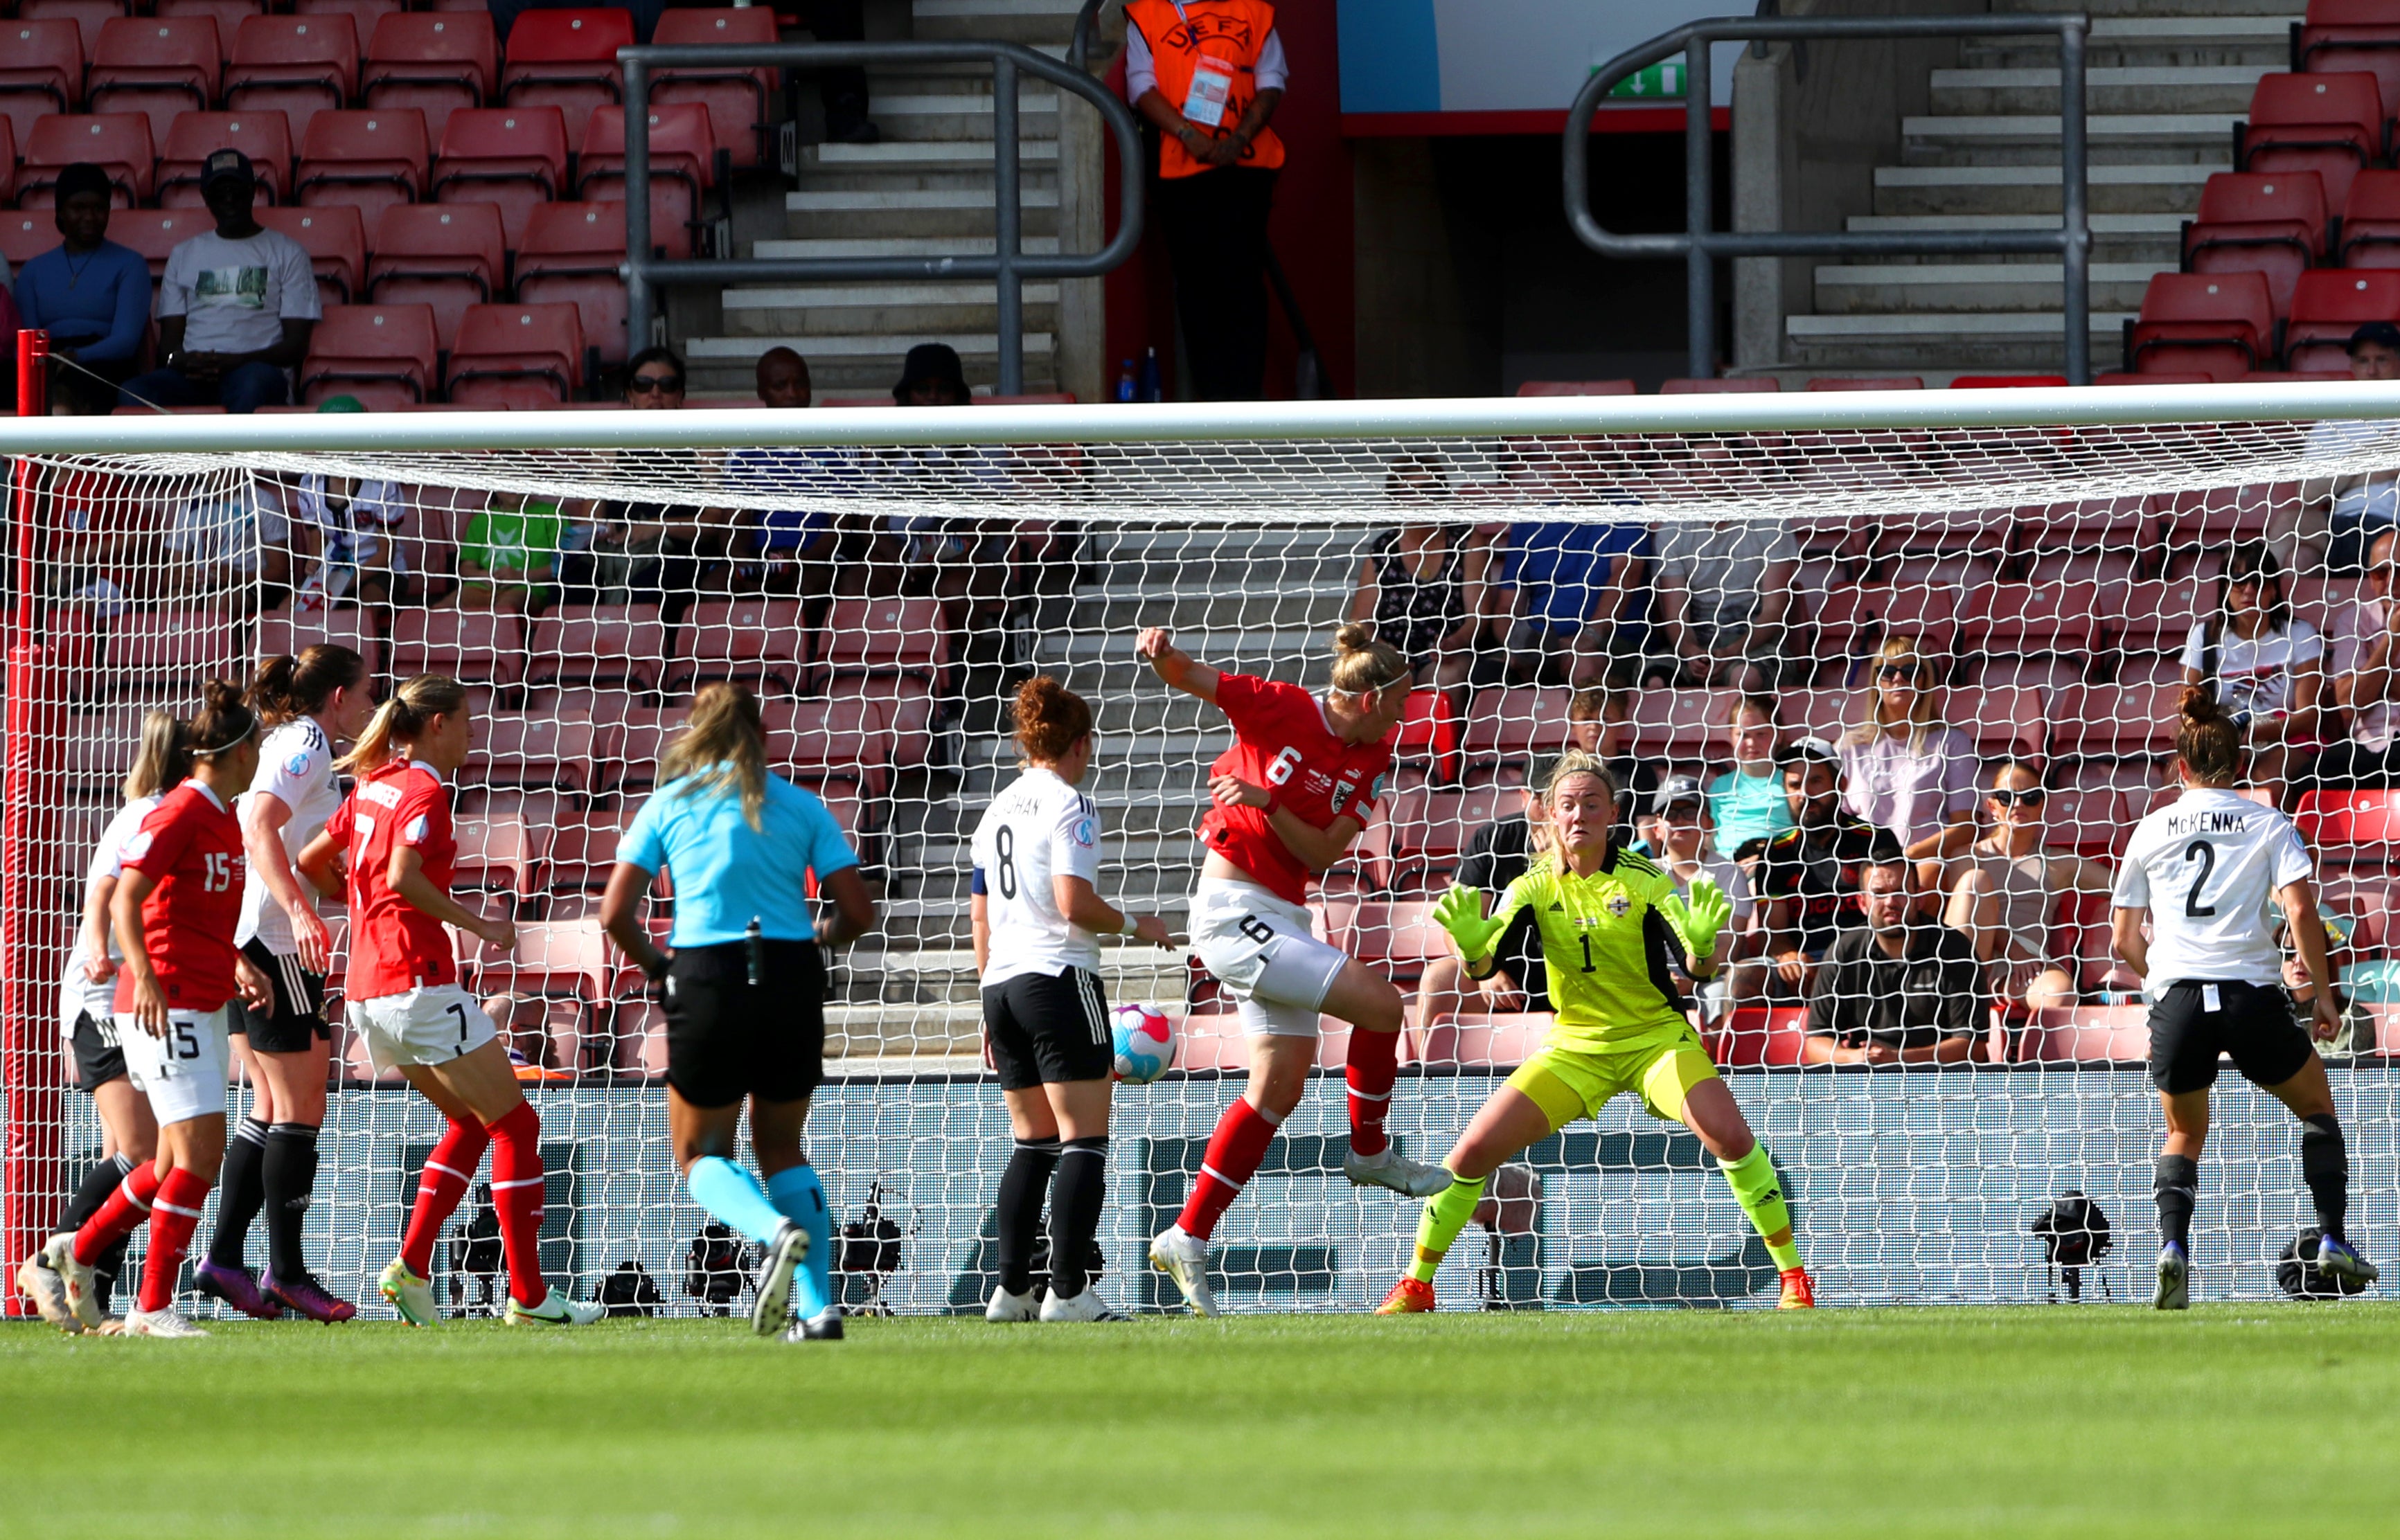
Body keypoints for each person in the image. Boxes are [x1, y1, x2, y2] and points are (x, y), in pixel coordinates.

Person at [1376, 751, 1813, 1313]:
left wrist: (1704, 945)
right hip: (1574, 1047)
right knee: (1470, 1154)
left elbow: (1699, 970)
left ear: (1613, 815)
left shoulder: (1647, 879)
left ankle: (1793, 1279)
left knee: (1729, 1137)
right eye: (1567, 805)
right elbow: (1485, 969)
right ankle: (1417, 1284)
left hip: (1654, 1039)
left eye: (1590, 804)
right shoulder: (1531, 886)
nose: (1578, 814)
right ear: (1549, 815)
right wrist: (1471, 948)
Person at [1138, 621, 1439, 1316]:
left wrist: (1270, 804)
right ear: (1370, 700)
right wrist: (1161, 653)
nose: (1404, 716)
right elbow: (1195, 677)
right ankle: (1369, 1152)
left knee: (1278, 1089)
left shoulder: (1372, 756)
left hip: (1283, 912)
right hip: (1230, 906)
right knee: (1384, 1006)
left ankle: (1186, 1234)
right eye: (1400, 703)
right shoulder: (1282, 706)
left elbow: (1324, 853)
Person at [296, 675, 603, 1327]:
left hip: (365, 994)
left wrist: (361, 900)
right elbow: (405, 877)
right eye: (466, 721)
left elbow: (311, 860)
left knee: (472, 1122)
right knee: (518, 1126)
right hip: (416, 981)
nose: (473, 735)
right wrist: (480, 925)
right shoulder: (423, 790)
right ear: (437, 725)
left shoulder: (372, 785)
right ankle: (528, 1296)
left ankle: (410, 1268)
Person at [600, 683, 879, 1341]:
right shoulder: (802, 805)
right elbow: (858, 913)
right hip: (789, 974)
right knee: (781, 1144)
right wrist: (820, 940)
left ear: (696, 733)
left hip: (706, 974)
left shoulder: (670, 804)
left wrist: (660, 969)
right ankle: (819, 1310)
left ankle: (770, 1231)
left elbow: (614, 914)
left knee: (700, 1150)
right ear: (762, 734)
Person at [2111, 687, 2377, 1309]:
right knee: (2316, 1108)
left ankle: (2172, 1250)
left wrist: (2161, 981)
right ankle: (2333, 1238)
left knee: (2181, 1134)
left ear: (2180, 768)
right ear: (2241, 763)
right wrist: (2325, 994)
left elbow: (2123, 937)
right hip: (2250, 997)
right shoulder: (2266, 822)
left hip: (2178, 1001)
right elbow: (2301, 909)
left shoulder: (2150, 828)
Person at [30, 682, 271, 1337]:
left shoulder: (221, 813)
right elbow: (122, 898)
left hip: (201, 996)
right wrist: (146, 977)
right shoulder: (179, 812)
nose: (262, 755)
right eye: (258, 743)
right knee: (198, 1157)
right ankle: (152, 1307)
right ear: (237, 750)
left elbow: (196, 916)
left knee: (167, 1163)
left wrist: (236, 964)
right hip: (166, 1004)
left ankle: (73, 1253)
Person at [969, 677, 1173, 1323]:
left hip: (1001, 984)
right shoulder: (1071, 804)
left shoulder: (995, 809)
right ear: (1080, 743)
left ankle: (1011, 1293)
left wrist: (985, 999)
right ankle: (1070, 1292)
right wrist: (1142, 926)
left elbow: (979, 916)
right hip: (1058, 977)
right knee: (1084, 1138)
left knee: (1031, 1141)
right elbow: (1073, 904)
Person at [193, 647, 375, 1325]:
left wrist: (329, 887)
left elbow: (291, 843)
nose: (367, 705)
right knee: (300, 1109)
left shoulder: (294, 742)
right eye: (363, 692)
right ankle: (288, 1273)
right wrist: (300, 910)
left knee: (270, 1108)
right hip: (271, 940)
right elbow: (259, 822)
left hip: (248, 936)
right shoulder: (306, 743)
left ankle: (224, 1259)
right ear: (335, 698)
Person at [15, 711, 187, 1324]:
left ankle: (90, 1292)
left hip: (128, 989)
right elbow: (104, 893)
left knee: (131, 1158)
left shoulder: (161, 810)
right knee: (145, 1155)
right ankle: (48, 1259)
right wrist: (96, 947)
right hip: (107, 993)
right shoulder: (153, 815)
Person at [1125, 0, 1287, 400]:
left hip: (1246, 169)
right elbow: (1139, 87)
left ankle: (1247, 401)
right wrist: (1189, 135)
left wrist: (1238, 140)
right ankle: (1213, 401)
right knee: (1197, 287)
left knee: (1243, 284)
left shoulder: (1255, 11)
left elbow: (1272, 80)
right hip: (1181, 169)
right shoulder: (1146, 14)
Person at [116, 151, 319, 414]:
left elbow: (296, 345)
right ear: (205, 197)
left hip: (255, 371)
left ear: (253, 191)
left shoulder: (288, 252)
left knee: (252, 384)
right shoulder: (184, 254)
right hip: (195, 376)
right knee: (134, 392)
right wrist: (186, 362)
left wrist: (236, 361)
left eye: (238, 191)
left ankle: (233, 457)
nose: (229, 200)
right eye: (219, 193)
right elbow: (169, 344)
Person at [1941, 760, 2115, 1012]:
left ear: (2042, 805)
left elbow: (2123, 887)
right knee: (1974, 882)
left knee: (2061, 993)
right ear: (1992, 806)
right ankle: (1963, 1002)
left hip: (2026, 973)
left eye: (2030, 797)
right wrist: (2014, 950)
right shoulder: (1966, 856)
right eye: (2007, 797)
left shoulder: (2059, 862)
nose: (2019, 804)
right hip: (1972, 962)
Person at [1803, 840, 1984, 1065]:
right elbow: (1816, 1043)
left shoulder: (1954, 949)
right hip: (1865, 1080)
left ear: (1919, 898)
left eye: (1900, 891)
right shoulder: (1844, 952)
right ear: (1862, 902)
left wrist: (1898, 1060)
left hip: (1939, 1081)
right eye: (1879, 893)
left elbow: (1974, 1048)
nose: (1890, 902)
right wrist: (1854, 1057)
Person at [2179, 539, 2322, 807]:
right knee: (2176, 784)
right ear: (2225, 587)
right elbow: (2188, 711)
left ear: (2274, 590)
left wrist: (2253, 732)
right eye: (2239, 580)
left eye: (2259, 581)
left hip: (2286, 738)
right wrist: (2226, 736)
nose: (2249, 590)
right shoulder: (2204, 636)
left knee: (2266, 782)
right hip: (2222, 740)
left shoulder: (2299, 634)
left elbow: (2309, 717)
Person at [1412, 779, 1550, 1042]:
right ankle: (1425, 1075)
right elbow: (1456, 926)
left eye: (1555, 798)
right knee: (1440, 978)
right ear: (1524, 797)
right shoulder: (1492, 838)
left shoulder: (1591, 842)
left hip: (1571, 969)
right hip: (1503, 972)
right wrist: (1487, 972)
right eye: (1539, 796)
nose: (1546, 807)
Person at [1752, 737, 1884, 1001]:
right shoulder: (1776, 853)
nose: (1805, 793)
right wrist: (1787, 955)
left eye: (1815, 781)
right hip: (1804, 965)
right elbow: (1774, 933)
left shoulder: (1875, 841)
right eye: (1794, 784)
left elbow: (1892, 915)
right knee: (1746, 977)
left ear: (1841, 785)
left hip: (1868, 960)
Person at [1840, 634, 1977, 882]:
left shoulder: (1953, 741)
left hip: (1925, 860)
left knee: (1920, 885)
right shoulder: (1850, 746)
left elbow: (1965, 827)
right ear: (1876, 681)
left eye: (1911, 670)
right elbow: (1838, 822)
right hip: (1865, 865)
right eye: (1888, 671)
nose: (1899, 679)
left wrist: (1908, 856)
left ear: (1925, 679)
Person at [12, 163, 150, 404]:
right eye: (78, 208)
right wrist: (52, 360)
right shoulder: (33, 271)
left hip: (104, 363)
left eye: (99, 208)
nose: (90, 217)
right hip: (47, 360)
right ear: (61, 212)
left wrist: (77, 357)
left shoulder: (131, 264)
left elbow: (126, 340)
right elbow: (27, 341)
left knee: (67, 392)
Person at [2279, 321, 2400, 573]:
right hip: (2344, 526)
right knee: (2294, 542)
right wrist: (2366, 458)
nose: (2372, 370)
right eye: (2364, 361)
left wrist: (2345, 475)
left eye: (2382, 359)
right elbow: (2308, 494)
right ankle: (2265, 605)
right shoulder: (2335, 419)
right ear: (2353, 366)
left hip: (2396, 527)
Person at [1345, 518, 1486, 712]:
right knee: (1379, 679)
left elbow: (1478, 617)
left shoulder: (1466, 540)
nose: (1418, 498)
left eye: (1427, 488)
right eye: (1408, 491)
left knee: (1445, 679)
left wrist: (1454, 642)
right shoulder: (1383, 548)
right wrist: (1385, 652)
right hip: (1393, 651)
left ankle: (1446, 742)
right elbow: (1360, 622)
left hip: (1449, 651)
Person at [1652, 510, 1802, 690]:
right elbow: (1675, 616)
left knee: (1744, 677)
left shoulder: (1772, 524)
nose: (1712, 480)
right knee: (1656, 680)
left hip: (1757, 646)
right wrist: (1690, 652)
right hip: (1696, 646)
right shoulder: (1672, 531)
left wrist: (1733, 652)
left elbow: (1774, 611)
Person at [1493, 518, 1648, 690]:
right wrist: (1518, 647)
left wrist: (1589, 637)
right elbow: (1506, 607)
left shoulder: (1624, 508)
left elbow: (1626, 576)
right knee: (1488, 673)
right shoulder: (1528, 521)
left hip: (1609, 641)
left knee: (1583, 667)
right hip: (1540, 643)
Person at [1652, 774, 1753, 1019]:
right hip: (1655, 976)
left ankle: (1718, 1058)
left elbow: (1730, 946)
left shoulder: (1729, 873)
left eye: (1689, 812)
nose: (1680, 821)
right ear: (1657, 828)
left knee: (1719, 995)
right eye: (1670, 815)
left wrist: (1692, 977)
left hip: (1710, 976)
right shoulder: (1646, 873)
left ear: (1708, 822)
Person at [2309, 526, 2400, 791]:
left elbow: (2358, 693)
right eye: (2381, 573)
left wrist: (2373, 681)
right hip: (2368, 746)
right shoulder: (2353, 620)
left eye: (2399, 570)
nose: (2391, 581)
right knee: (2309, 777)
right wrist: (2392, 639)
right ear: (2371, 578)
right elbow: (2348, 703)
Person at [1564, 687, 1660, 843]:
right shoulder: (1563, 771)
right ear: (1573, 726)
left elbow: (1648, 839)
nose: (1595, 727)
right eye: (1586, 719)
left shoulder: (1638, 771)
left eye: (1605, 719)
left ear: (1622, 725)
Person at [1709, 692, 1795, 857]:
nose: (1751, 743)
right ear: (1731, 736)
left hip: (1777, 866)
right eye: (1743, 735)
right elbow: (1711, 840)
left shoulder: (1791, 782)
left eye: (1761, 734)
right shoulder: (1720, 787)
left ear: (1779, 736)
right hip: (1729, 870)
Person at [456, 486, 562, 611]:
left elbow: (563, 564)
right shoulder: (482, 519)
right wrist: (481, 575)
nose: (512, 486)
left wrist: (521, 576)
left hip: (528, 589)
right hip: (480, 587)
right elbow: (466, 568)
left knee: (505, 610)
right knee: (441, 609)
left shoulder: (551, 515)